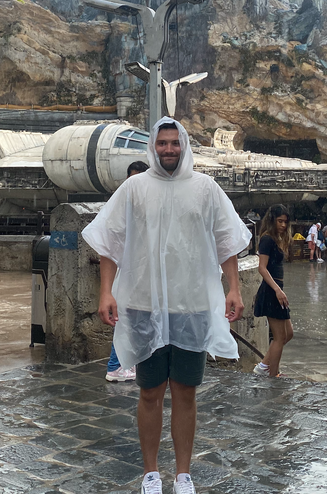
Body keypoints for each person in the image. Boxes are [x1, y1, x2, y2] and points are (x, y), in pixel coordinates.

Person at [85, 117, 248, 494]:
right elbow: (111, 241)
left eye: (175, 143)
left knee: (186, 392)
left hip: (191, 304)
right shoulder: (135, 188)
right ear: (152, 147)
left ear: (184, 145)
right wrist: (106, 292)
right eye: (162, 143)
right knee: (150, 391)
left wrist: (234, 288)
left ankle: (184, 474)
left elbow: (227, 241)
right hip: (143, 304)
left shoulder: (205, 188)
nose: (169, 149)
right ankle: (151, 473)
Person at [105, 160, 150, 383]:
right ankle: (116, 365)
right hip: (128, 274)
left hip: (138, 274)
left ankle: (124, 364)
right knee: (125, 320)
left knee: (132, 321)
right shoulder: (124, 205)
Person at [252, 205, 293, 378]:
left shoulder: (277, 239)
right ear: (272, 220)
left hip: (277, 289)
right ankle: (273, 375)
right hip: (271, 291)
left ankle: (263, 366)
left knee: (288, 334)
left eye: (285, 222)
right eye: (279, 221)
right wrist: (277, 290)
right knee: (279, 337)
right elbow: (262, 268)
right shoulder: (267, 239)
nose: (283, 225)